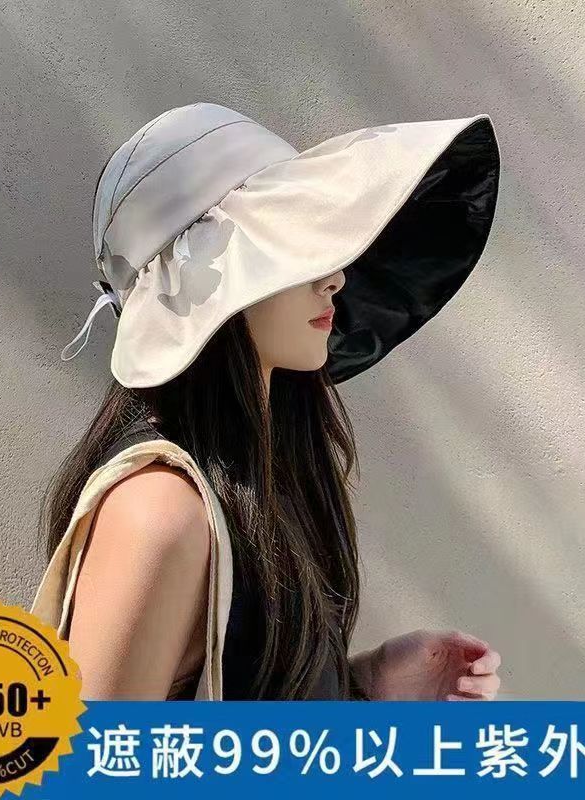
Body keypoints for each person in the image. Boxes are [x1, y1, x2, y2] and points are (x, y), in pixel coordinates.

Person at [32, 102, 504, 701]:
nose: (334, 277)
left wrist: (364, 686)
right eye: (291, 247)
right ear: (206, 283)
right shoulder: (160, 512)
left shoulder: (252, 479)